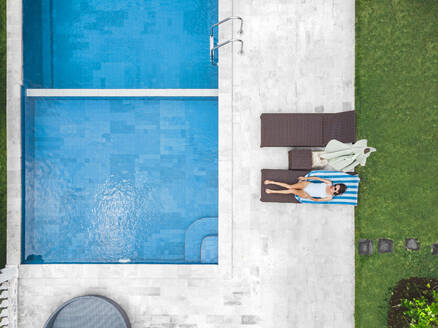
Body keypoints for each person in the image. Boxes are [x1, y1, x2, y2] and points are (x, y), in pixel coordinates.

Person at [264, 176, 347, 202]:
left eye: (335, 189)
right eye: (336, 185)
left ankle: (272, 191)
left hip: (307, 194)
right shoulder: (329, 183)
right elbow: (317, 178)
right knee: (290, 186)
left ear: (336, 192)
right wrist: (305, 178)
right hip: (307, 185)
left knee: (291, 191)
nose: (334, 187)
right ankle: (272, 182)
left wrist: (309, 197)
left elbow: (317, 200)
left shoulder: (330, 197)